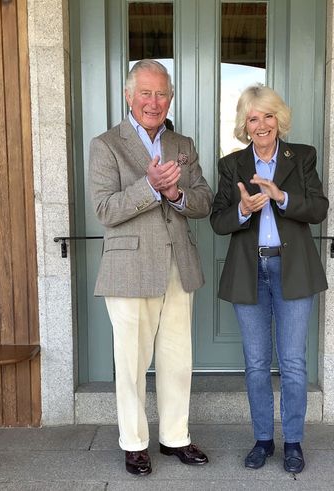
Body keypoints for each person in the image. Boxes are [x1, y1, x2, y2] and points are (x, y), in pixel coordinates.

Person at [89, 59, 213, 476]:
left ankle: (175, 436)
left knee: (178, 359)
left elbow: (203, 201)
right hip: (129, 269)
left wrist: (177, 192)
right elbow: (105, 209)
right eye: (145, 92)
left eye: (161, 93)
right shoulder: (107, 144)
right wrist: (150, 187)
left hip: (179, 265)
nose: (154, 101)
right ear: (129, 96)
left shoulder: (183, 144)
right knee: (131, 361)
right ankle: (134, 442)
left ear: (171, 97)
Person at [210, 84, 328, 474]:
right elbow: (217, 221)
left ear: (280, 119)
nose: (262, 125)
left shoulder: (303, 157)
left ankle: (293, 442)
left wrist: (282, 198)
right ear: (245, 125)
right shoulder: (232, 165)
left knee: (293, 363)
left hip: (292, 269)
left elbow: (319, 209)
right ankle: (263, 439)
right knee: (257, 364)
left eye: (268, 116)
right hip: (250, 271)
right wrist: (242, 210)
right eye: (253, 118)